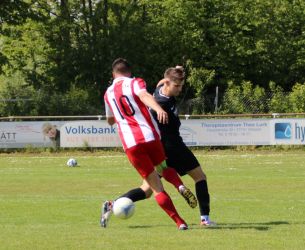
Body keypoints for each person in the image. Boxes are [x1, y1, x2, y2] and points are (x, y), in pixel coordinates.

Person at [102, 66, 215, 227]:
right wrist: (157, 109)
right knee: (200, 177)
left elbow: (160, 84)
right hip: (172, 147)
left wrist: (175, 70)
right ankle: (205, 219)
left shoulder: (159, 91)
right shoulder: (160, 103)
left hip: (160, 149)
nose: (180, 89)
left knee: (147, 190)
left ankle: (112, 204)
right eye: (177, 86)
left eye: (181, 86)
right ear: (168, 84)